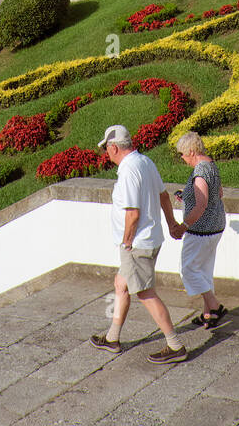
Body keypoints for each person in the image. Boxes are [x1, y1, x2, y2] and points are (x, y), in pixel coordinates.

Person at [91, 124, 187, 364]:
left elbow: (132, 214)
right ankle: (112, 338)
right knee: (121, 284)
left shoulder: (128, 171)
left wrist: (126, 243)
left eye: (106, 149)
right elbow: (163, 195)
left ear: (113, 148)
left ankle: (175, 345)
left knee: (145, 293)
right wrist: (172, 224)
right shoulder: (145, 162)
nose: (106, 153)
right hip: (150, 239)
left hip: (137, 245)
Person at [172, 131, 227, 329]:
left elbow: (201, 205)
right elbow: (218, 193)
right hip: (217, 226)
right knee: (204, 270)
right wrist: (186, 196)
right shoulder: (212, 165)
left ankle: (215, 306)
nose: (182, 158)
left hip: (201, 230)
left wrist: (183, 226)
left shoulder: (200, 172)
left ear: (192, 151)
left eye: (183, 154)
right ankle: (208, 314)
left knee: (187, 269)